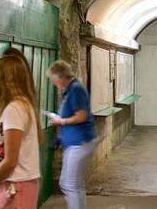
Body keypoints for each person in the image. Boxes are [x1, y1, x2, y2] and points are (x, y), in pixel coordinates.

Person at [0, 54, 42, 209]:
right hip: (14, 186)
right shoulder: (20, 105)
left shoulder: (14, 109)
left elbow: (10, 161)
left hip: (14, 188)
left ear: (3, 81)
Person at [49, 60, 96, 209]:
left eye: (53, 79)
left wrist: (60, 122)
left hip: (79, 142)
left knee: (68, 184)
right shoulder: (71, 89)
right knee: (75, 184)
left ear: (61, 76)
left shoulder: (75, 89)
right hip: (76, 142)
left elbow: (81, 116)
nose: (53, 82)